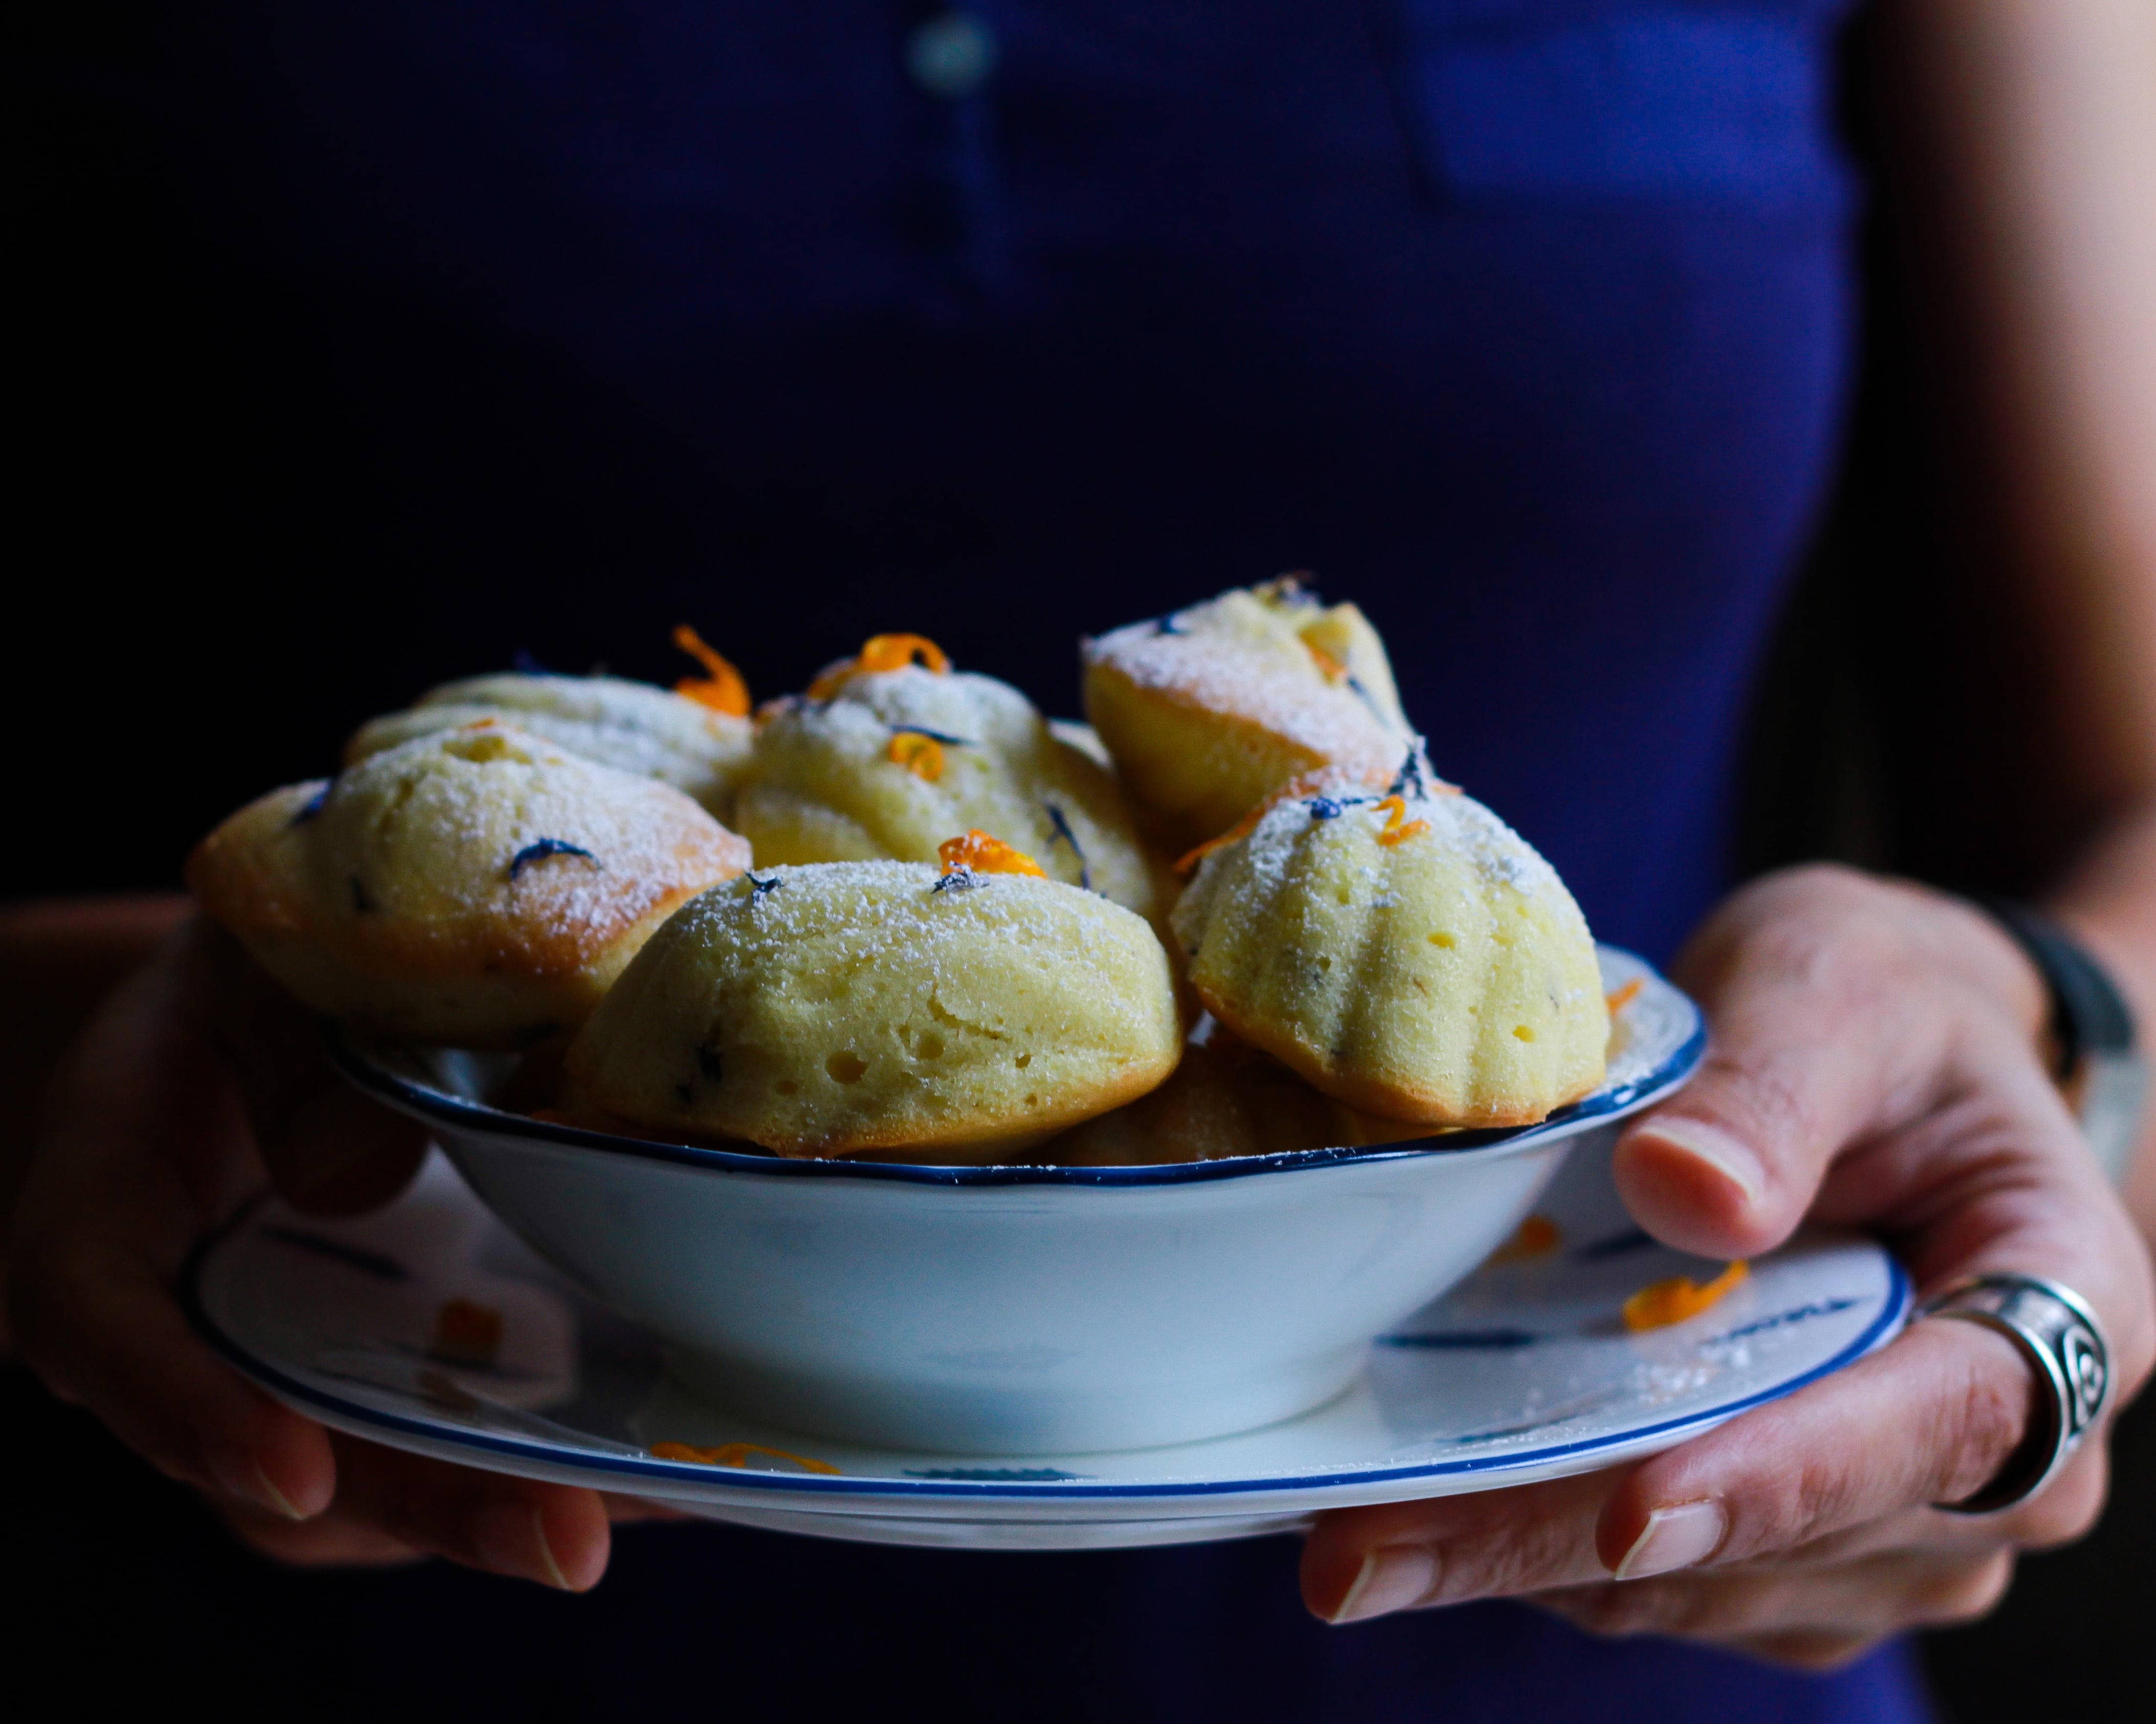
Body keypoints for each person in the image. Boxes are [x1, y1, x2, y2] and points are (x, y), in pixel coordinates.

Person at [9, 1, 2156, 1718]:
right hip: (326, 1552)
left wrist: (2064, 1038)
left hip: (1591, 1545)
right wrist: (71, 1052)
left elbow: (2121, 813)